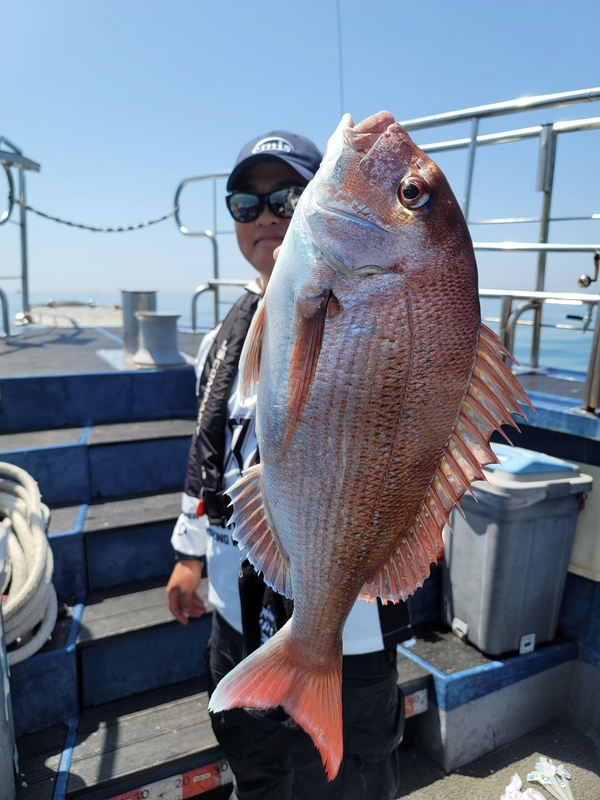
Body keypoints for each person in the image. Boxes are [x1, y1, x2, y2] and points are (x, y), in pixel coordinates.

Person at [166, 130, 413, 800]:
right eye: (247, 203)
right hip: (236, 607)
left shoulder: (370, 309)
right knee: (259, 772)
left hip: (344, 624)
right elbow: (208, 450)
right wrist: (190, 553)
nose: (267, 215)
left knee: (346, 782)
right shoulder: (223, 335)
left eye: (288, 196)